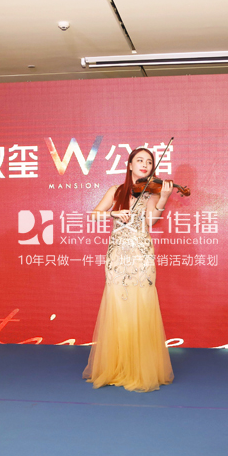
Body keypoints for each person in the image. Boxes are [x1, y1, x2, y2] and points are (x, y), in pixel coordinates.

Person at [82, 147, 175, 392]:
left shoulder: (151, 192)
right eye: (140, 160)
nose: (145, 165)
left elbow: (151, 221)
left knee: (142, 305)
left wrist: (164, 198)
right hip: (117, 256)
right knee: (118, 307)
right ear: (130, 165)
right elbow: (94, 215)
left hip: (141, 256)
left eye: (149, 162)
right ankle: (117, 365)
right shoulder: (116, 191)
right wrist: (114, 212)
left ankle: (139, 368)